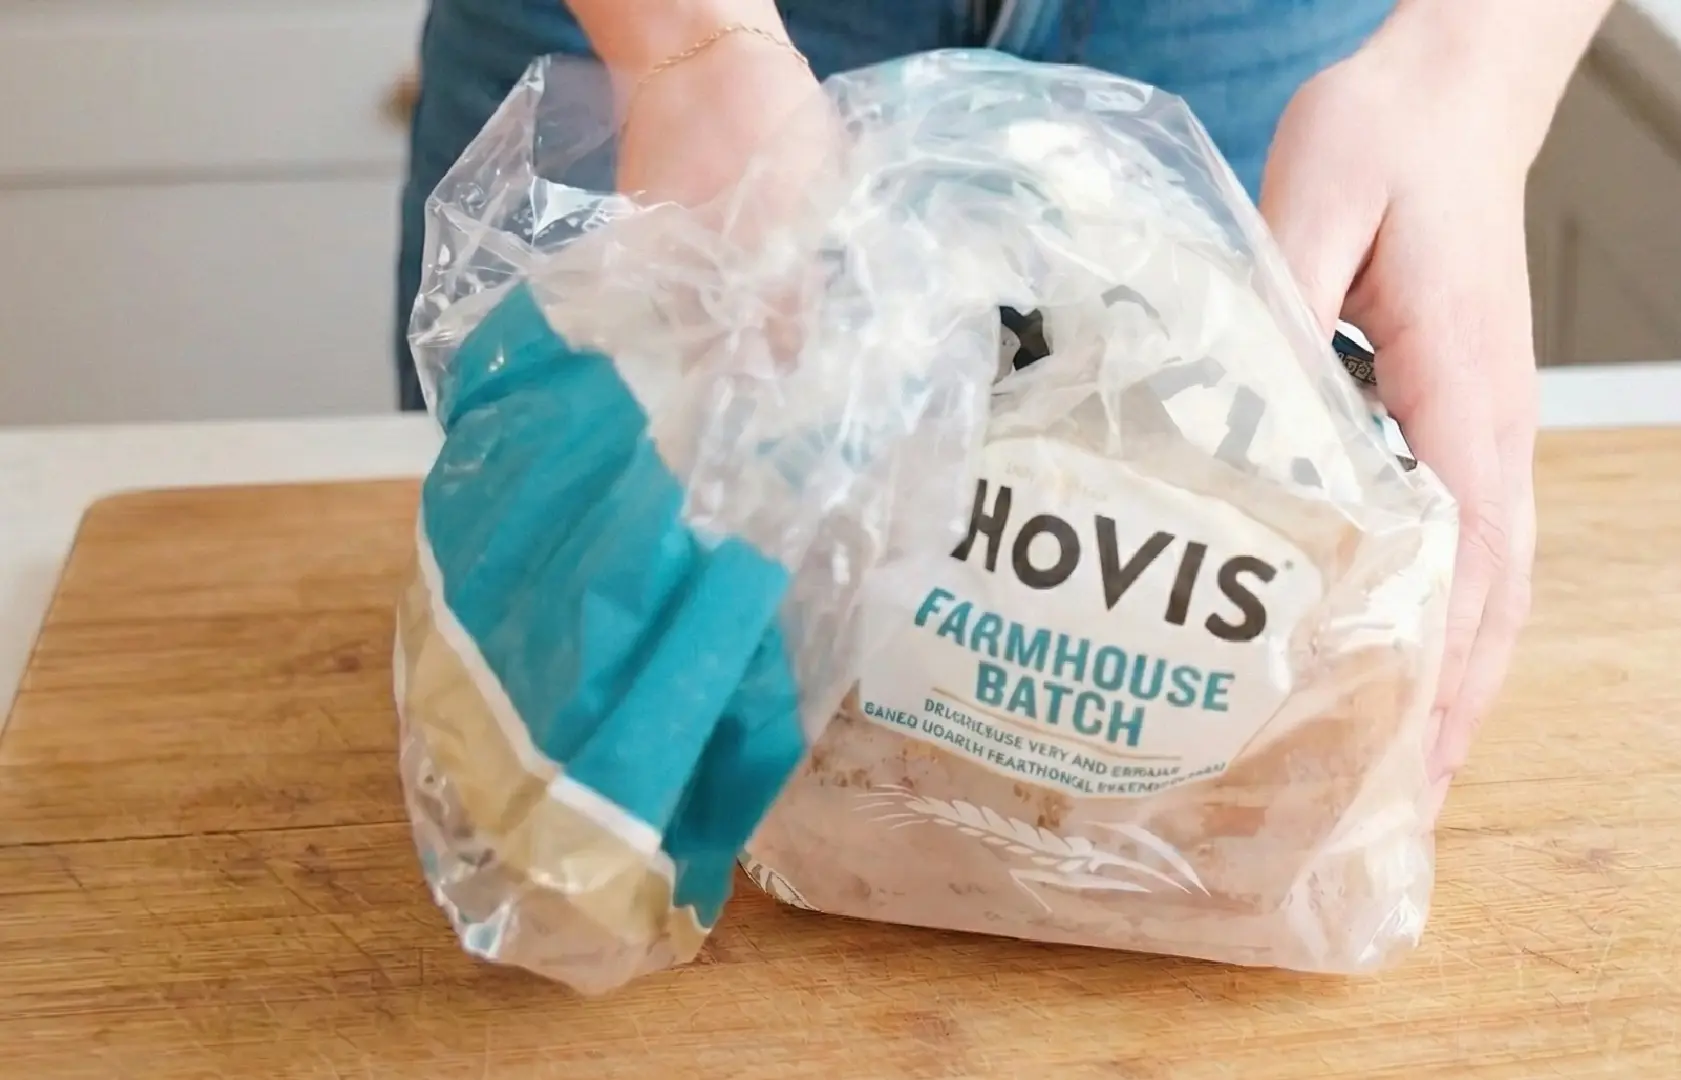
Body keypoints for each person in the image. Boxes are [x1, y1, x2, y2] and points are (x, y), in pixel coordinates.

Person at [395, 0, 1615, 804]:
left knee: (1219, 764)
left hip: (1278, 58)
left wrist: (1476, 70)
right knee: (594, 742)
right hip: (668, 40)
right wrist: (685, 45)